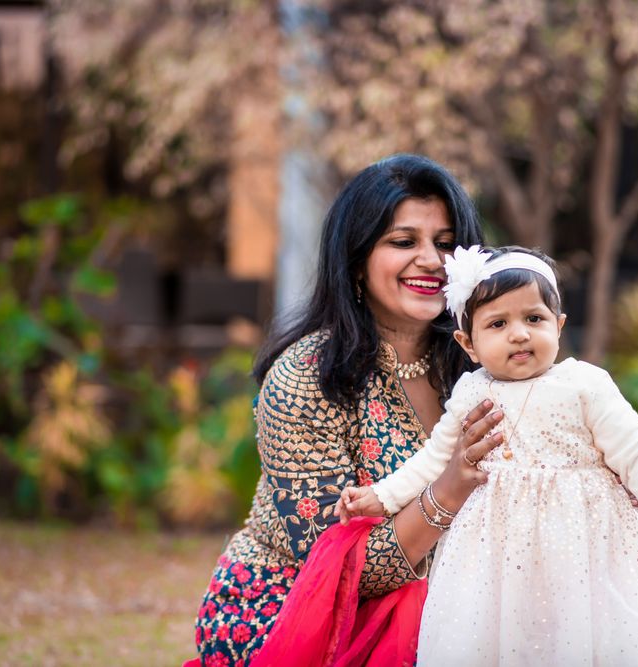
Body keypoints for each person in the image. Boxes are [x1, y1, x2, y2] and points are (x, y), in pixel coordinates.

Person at [192, 154, 509, 666]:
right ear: (357, 259)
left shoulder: (478, 369)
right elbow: (339, 571)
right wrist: (449, 488)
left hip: (448, 607)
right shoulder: (309, 377)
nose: (430, 259)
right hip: (293, 616)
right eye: (403, 242)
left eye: (445, 243)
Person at [336, 245, 638, 666]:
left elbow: (636, 450)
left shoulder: (585, 385)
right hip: (494, 550)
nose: (519, 334)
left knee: (582, 635)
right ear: (468, 343)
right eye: (498, 323)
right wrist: (381, 496)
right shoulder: (472, 392)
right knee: (499, 637)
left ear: (559, 325)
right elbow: (434, 458)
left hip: (585, 543)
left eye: (534, 319)